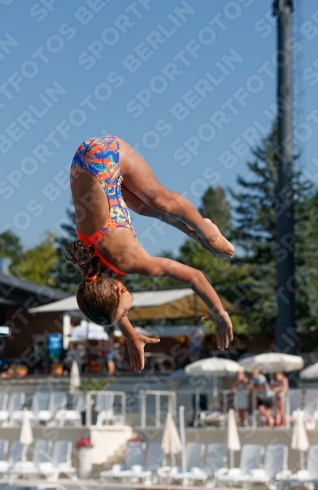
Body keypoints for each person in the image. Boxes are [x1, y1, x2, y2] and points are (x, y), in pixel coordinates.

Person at [67, 136, 234, 372]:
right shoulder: (93, 271)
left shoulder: (130, 260)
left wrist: (219, 313)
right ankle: (194, 232)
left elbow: (194, 277)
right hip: (82, 162)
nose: (128, 313)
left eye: (124, 312)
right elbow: (109, 303)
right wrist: (130, 335)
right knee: (144, 207)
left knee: (162, 201)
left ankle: (207, 232)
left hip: (107, 153)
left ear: (119, 289)